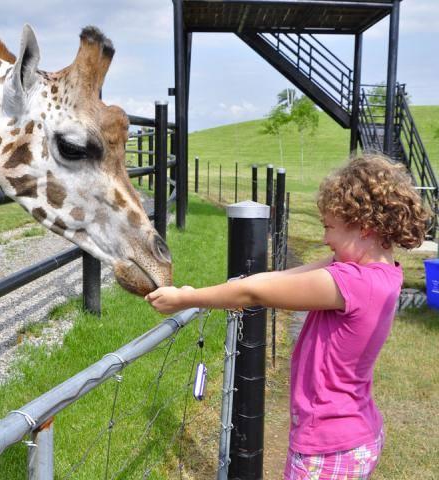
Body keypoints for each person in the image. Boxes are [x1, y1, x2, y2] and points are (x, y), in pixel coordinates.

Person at [145, 154, 429, 479]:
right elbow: (280, 279)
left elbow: (256, 294)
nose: (324, 238)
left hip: (327, 446)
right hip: (351, 433)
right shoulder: (379, 271)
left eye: (329, 228)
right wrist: (227, 288)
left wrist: (187, 298)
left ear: (363, 227)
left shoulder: (353, 282)